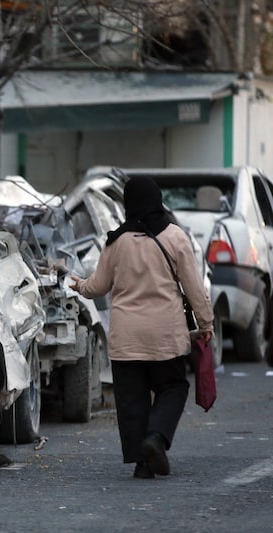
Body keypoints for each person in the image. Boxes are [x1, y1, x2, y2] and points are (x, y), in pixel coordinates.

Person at [69, 176, 213, 479]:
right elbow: (193, 287)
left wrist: (80, 286)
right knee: (172, 387)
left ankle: (141, 463)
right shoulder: (175, 237)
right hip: (165, 335)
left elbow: (98, 286)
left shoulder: (116, 241)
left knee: (132, 398)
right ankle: (156, 438)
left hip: (126, 338)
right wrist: (206, 322)